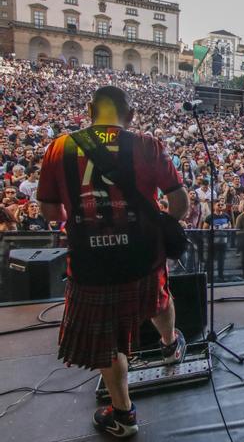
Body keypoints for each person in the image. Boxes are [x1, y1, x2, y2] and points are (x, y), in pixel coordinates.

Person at [36, 86, 188, 438]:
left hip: (91, 264)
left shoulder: (60, 147)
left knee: (108, 339)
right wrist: (161, 225)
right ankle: (169, 347)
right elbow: (179, 202)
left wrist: (78, 218)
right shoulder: (149, 146)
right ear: (131, 116)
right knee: (159, 297)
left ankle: (123, 416)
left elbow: (49, 210)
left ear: (89, 110)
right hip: (143, 255)